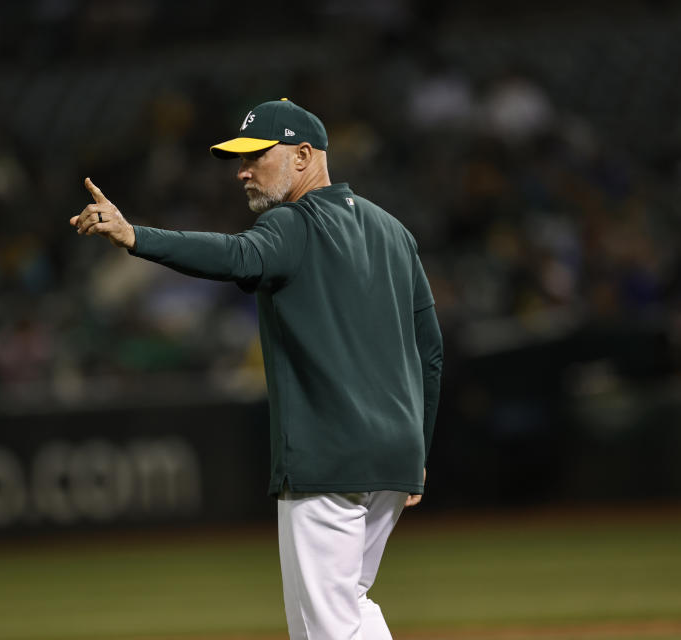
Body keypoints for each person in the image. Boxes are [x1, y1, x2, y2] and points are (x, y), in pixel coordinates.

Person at [70, 98, 443, 640]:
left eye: (256, 156)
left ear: (304, 156)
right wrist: (420, 450)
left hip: (328, 459)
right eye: (238, 159)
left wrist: (136, 237)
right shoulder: (393, 231)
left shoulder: (293, 223)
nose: (242, 170)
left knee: (325, 626)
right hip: (394, 458)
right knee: (348, 607)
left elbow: (235, 255)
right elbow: (429, 350)